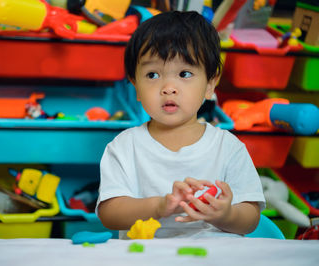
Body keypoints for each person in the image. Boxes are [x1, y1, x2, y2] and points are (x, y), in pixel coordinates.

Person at [96, 11, 265, 239]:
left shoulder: (228, 147)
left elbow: (250, 219)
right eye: (152, 74)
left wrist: (225, 215)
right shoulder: (124, 146)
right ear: (135, 85)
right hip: (145, 256)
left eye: (184, 73)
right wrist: (159, 206)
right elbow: (109, 214)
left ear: (210, 84)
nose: (168, 87)